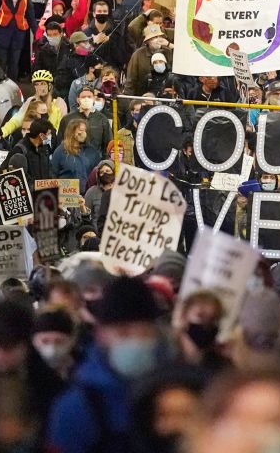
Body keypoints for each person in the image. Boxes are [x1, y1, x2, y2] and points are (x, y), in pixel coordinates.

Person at [47, 277, 168, 453]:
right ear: (102, 335)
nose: (135, 340)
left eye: (143, 332)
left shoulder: (177, 397)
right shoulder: (76, 408)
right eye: (123, 332)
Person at [51, 118, 101, 193]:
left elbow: (98, 174)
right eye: (81, 130)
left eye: (85, 130)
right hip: (67, 197)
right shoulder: (60, 152)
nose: (84, 133)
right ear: (72, 131)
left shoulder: (92, 152)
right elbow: (53, 176)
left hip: (87, 195)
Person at [126, 20, 173, 97]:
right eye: (153, 38)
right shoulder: (138, 55)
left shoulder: (168, 52)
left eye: (159, 36)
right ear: (147, 41)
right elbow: (131, 80)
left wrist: (169, 45)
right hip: (144, 95)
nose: (157, 40)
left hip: (166, 95)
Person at [9, 118, 56, 187]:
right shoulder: (20, 149)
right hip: (29, 193)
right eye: (48, 134)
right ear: (41, 135)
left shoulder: (45, 148)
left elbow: (49, 170)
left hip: (44, 193)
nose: (50, 137)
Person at [83, 159, 116, 234]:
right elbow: (87, 217)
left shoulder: (121, 190)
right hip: (98, 237)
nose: (105, 174)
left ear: (113, 172)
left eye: (108, 171)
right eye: (101, 172)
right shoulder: (91, 192)